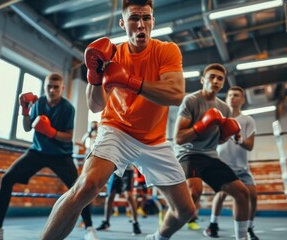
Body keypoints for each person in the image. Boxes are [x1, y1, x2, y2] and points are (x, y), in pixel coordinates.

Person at [39, 0, 196, 239]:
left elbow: (175, 95)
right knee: (86, 187)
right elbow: (95, 105)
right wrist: (94, 75)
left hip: (154, 140)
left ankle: (158, 237)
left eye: (146, 18)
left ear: (153, 21)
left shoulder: (166, 50)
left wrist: (130, 81)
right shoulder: (112, 55)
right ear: (123, 23)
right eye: (134, 18)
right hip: (117, 130)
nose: (141, 24)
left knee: (185, 210)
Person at [0, 73, 98, 240]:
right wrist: (24, 111)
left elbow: (69, 136)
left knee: (80, 188)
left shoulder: (68, 108)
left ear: (62, 88)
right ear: (45, 87)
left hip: (61, 155)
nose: (52, 90)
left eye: (56, 87)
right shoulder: (39, 103)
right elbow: (28, 127)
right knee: (7, 179)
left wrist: (51, 132)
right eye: (49, 86)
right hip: (37, 151)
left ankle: (89, 229)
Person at [174, 63, 251, 240]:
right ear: (203, 80)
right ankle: (166, 227)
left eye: (220, 78)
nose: (215, 81)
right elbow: (179, 138)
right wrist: (202, 125)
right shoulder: (191, 101)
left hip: (210, 155)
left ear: (223, 83)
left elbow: (220, 140)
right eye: (211, 77)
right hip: (188, 154)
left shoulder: (224, 108)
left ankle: (242, 238)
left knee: (242, 193)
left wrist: (226, 134)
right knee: (194, 193)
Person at [208, 86, 259, 239]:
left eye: (236, 95)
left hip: (242, 167)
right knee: (221, 194)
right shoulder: (220, 119)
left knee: (253, 195)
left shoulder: (248, 120)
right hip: (223, 165)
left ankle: (249, 228)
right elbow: (211, 141)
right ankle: (213, 225)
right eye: (230, 95)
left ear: (242, 100)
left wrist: (238, 138)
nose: (232, 97)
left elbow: (250, 146)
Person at [96, 165, 142, 235]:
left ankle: (135, 223)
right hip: (115, 171)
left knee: (128, 196)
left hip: (127, 170)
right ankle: (106, 222)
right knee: (110, 196)